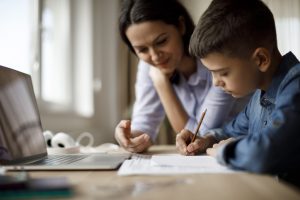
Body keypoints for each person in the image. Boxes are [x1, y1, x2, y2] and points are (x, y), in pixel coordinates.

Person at [176, 0, 300, 186]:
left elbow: (265, 153)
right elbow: (229, 131)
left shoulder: (295, 88)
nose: (216, 83)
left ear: (260, 59)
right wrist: (205, 139)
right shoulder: (258, 96)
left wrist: (225, 151)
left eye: (223, 72)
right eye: (211, 72)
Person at [115, 0, 248, 153]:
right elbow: (145, 125)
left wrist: (161, 84)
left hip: (240, 151)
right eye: (142, 49)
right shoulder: (149, 65)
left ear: (181, 26)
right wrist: (129, 138)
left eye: (161, 41)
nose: (155, 56)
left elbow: (197, 136)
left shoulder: (217, 61)